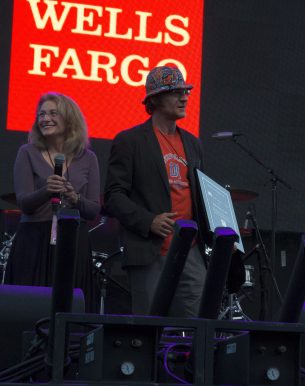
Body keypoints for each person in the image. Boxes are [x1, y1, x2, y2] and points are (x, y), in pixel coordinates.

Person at [104, 66, 208, 317]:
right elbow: (113, 196)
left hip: (189, 251)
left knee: (197, 326)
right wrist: (148, 221)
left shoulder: (193, 143)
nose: (184, 97)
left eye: (186, 92)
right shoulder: (130, 140)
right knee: (150, 329)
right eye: (176, 92)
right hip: (149, 250)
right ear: (155, 99)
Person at [5, 92, 101, 312]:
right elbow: (24, 203)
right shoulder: (27, 153)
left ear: (69, 118)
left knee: (69, 312)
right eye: (41, 115)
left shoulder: (88, 158)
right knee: (29, 311)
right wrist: (46, 191)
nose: (44, 119)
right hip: (34, 241)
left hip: (73, 243)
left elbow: (93, 209)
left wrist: (74, 198)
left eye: (52, 113)